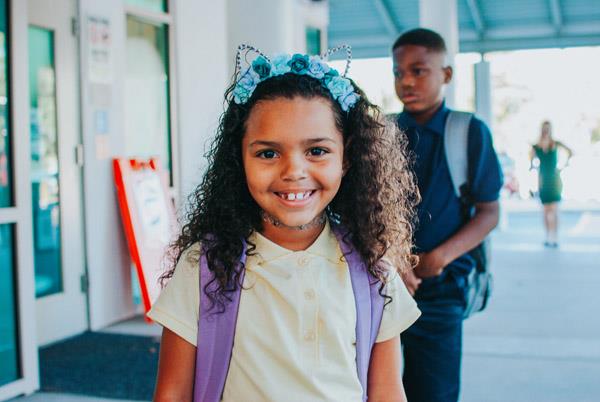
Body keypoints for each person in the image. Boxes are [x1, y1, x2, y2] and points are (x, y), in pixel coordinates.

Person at [148, 46, 422, 402]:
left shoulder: (374, 273)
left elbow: (387, 393)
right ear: (239, 159)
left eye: (317, 151)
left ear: (347, 157)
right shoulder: (203, 268)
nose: (294, 171)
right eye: (268, 153)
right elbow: (171, 394)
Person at [392, 28, 503, 402]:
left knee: (432, 391)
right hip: (385, 282)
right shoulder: (382, 133)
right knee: (375, 388)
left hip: (440, 288)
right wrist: (393, 260)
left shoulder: (469, 132)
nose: (406, 80)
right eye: (398, 71)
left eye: (419, 70)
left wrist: (438, 258)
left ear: (447, 75)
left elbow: (488, 211)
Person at [529, 120, 573, 248]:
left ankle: (555, 237)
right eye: (544, 128)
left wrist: (563, 166)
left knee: (554, 210)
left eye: (548, 128)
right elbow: (531, 163)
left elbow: (570, 152)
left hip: (554, 179)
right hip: (543, 180)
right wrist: (533, 168)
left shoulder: (556, 143)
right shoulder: (536, 146)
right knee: (545, 211)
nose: (546, 131)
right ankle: (548, 236)